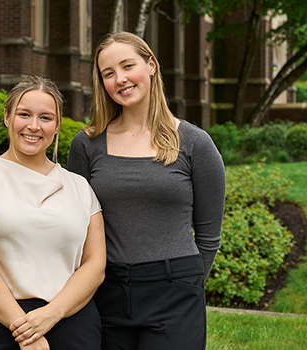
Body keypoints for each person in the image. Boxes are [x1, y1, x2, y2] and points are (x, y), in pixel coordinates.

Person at [68, 32, 226, 350]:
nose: (120, 79)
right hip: (105, 291)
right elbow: (75, 227)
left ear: (151, 65)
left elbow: (209, 237)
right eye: (108, 73)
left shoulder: (195, 143)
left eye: (128, 66)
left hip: (174, 295)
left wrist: (186, 286)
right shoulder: (86, 145)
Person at [0, 76, 106, 350]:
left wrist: (49, 315)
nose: (34, 126)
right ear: (7, 117)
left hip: (71, 323)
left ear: (57, 126)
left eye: (45, 117)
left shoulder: (80, 188)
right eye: (24, 114)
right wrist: (25, 330)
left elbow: (95, 265)